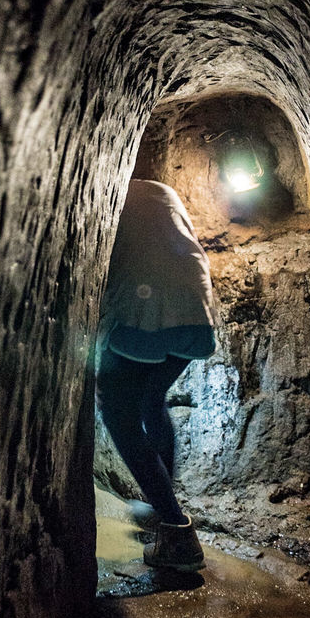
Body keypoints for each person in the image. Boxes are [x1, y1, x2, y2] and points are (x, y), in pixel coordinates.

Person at [97, 179, 216, 571]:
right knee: (151, 400)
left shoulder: (114, 187)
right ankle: (160, 503)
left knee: (118, 412)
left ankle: (176, 531)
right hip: (196, 306)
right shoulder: (162, 190)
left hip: (145, 311)